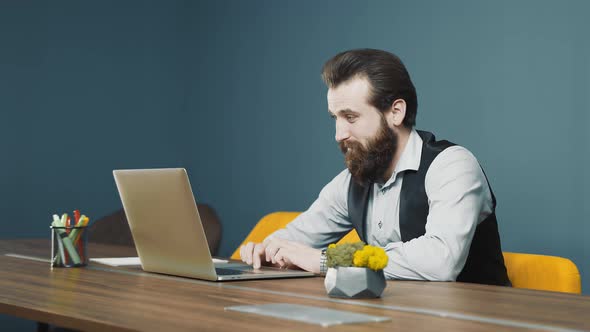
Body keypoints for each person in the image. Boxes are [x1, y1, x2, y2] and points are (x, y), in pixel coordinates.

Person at [240, 49, 510, 286]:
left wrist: (327, 261)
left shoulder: (452, 166)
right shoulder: (352, 181)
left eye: (351, 117)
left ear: (396, 112)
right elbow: (296, 238)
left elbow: (440, 260)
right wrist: (265, 250)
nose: (339, 134)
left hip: (478, 320)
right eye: (335, 118)